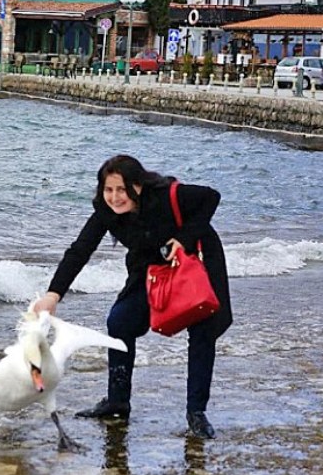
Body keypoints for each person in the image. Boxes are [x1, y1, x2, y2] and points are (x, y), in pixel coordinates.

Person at [32, 155, 232, 439]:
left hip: (194, 263)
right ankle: (117, 402)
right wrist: (54, 294)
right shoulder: (106, 211)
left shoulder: (165, 196)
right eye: (108, 189)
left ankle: (196, 413)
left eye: (121, 189)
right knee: (120, 321)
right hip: (149, 269)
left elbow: (211, 197)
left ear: (137, 186)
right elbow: (80, 250)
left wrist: (184, 239)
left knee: (202, 330)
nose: (114, 197)